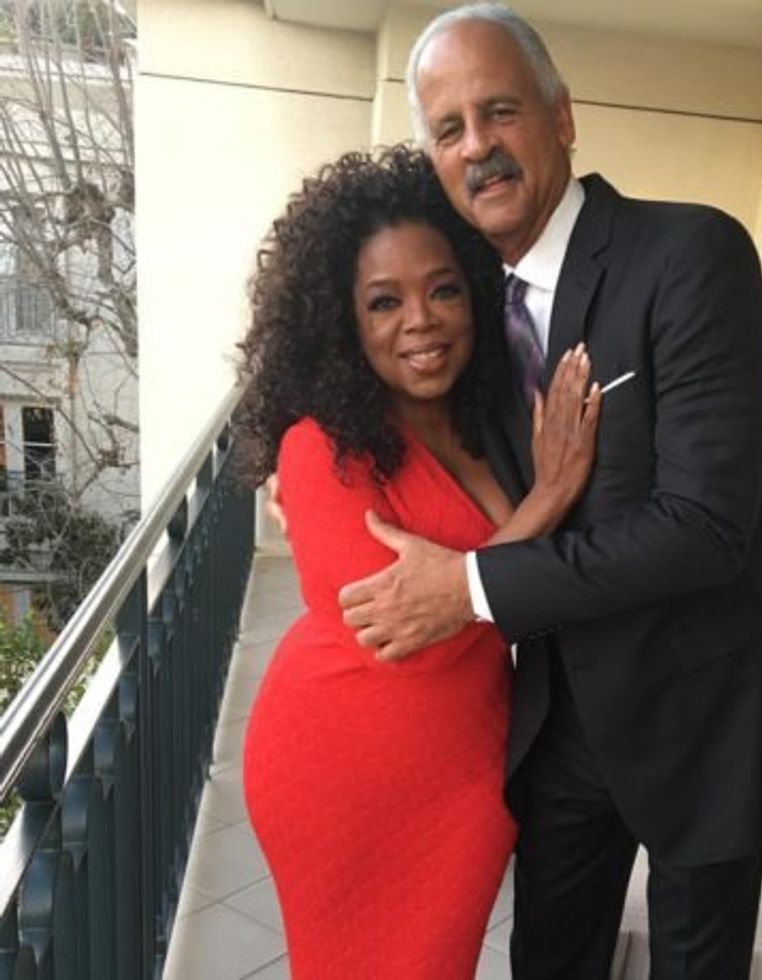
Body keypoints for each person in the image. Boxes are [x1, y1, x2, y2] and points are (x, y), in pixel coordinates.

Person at [333, 6, 762, 979]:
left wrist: (472, 587)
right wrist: (309, 446)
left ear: (560, 117)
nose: (477, 146)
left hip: (699, 713)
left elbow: (705, 526)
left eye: (499, 111)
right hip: (558, 715)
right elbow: (403, 392)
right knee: (547, 962)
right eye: (448, 128)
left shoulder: (690, 254)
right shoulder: (468, 306)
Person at [237, 145, 601, 979]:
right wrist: (549, 497)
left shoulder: (494, 421)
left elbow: (520, 587)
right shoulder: (319, 448)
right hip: (341, 774)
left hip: (468, 773)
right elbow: (401, 630)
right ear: (341, 321)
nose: (421, 321)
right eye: (383, 301)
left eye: (442, 289)